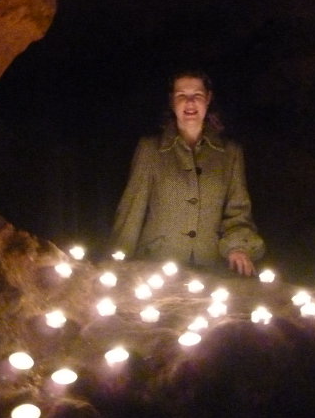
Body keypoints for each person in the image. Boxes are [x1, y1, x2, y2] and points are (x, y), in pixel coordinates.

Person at [110, 70, 265, 276]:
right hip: (156, 269)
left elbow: (238, 212)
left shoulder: (230, 154)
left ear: (208, 99)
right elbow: (132, 211)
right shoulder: (151, 150)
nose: (190, 102)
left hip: (210, 271)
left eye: (197, 95)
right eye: (182, 95)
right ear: (171, 101)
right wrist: (117, 264)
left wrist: (238, 247)